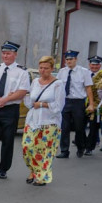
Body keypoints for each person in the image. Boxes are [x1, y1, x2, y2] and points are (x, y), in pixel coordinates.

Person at [0, 41, 29, 178]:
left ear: (15, 54)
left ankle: (3, 169)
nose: (5, 56)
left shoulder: (22, 72)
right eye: (3, 53)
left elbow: (22, 91)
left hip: (10, 109)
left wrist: (4, 100)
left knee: (8, 141)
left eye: (8, 53)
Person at [22, 55, 64, 186]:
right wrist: (25, 97)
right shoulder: (35, 82)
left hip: (49, 122)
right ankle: (33, 170)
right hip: (32, 120)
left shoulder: (58, 84)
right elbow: (30, 102)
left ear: (52, 69)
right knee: (27, 147)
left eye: (46, 68)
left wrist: (42, 104)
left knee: (44, 151)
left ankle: (41, 177)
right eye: (41, 68)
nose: (42, 70)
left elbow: (59, 106)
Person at [57, 50, 95, 159]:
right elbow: (58, 87)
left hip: (78, 102)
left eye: (71, 59)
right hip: (65, 101)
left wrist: (91, 104)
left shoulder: (84, 72)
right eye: (67, 59)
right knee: (64, 127)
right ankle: (64, 150)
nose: (68, 61)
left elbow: (88, 88)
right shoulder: (62, 72)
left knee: (79, 127)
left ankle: (80, 146)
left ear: (76, 59)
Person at [86, 56, 102, 152]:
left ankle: (90, 147)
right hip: (83, 102)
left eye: (97, 65)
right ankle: (82, 141)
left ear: (100, 66)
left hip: (98, 104)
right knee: (79, 125)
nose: (94, 67)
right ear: (89, 65)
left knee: (94, 126)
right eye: (93, 65)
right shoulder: (85, 74)